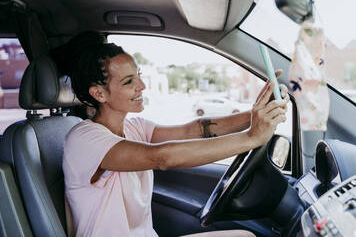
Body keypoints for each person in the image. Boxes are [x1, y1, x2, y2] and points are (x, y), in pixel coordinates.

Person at [61, 32, 289, 237]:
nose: (142, 85)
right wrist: (252, 138)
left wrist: (258, 114)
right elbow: (162, 157)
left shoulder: (135, 128)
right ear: (99, 93)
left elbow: (196, 129)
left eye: (138, 75)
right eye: (129, 81)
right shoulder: (83, 139)